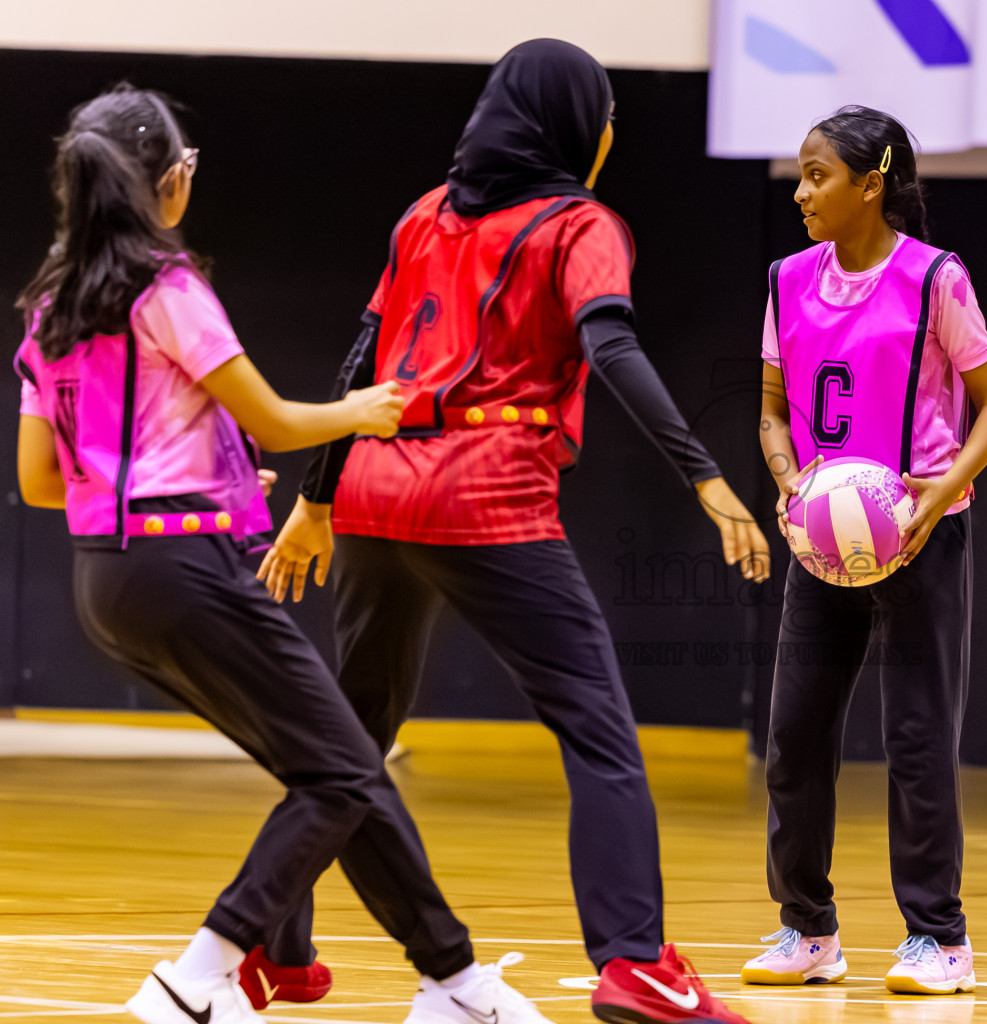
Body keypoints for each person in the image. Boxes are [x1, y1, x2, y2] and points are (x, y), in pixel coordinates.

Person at [15, 83, 551, 1024]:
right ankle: (201, 973)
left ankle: (455, 981)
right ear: (170, 184)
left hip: (108, 579)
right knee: (345, 772)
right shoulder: (168, 288)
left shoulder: (52, 305)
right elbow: (271, 416)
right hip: (186, 573)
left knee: (335, 767)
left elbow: (42, 483)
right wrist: (367, 409)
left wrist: (204, 481)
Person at [256, 39, 766, 1024]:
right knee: (600, 733)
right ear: (576, 125)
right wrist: (705, 476)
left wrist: (317, 501)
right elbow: (609, 340)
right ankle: (634, 961)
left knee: (348, 743)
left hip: (371, 491)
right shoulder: (583, 223)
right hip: (484, 494)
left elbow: (366, 353)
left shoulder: (424, 214)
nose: (612, 130)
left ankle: (275, 953)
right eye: (606, 112)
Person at [742, 106, 987, 996]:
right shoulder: (786, 280)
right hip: (823, 545)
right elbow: (774, 413)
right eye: (799, 173)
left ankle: (941, 939)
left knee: (918, 739)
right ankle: (807, 929)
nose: (802, 190)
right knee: (793, 737)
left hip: (921, 534)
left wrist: (937, 493)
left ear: (871, 184)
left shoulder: (936, 278)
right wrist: (787, 478)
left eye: (817, 174)